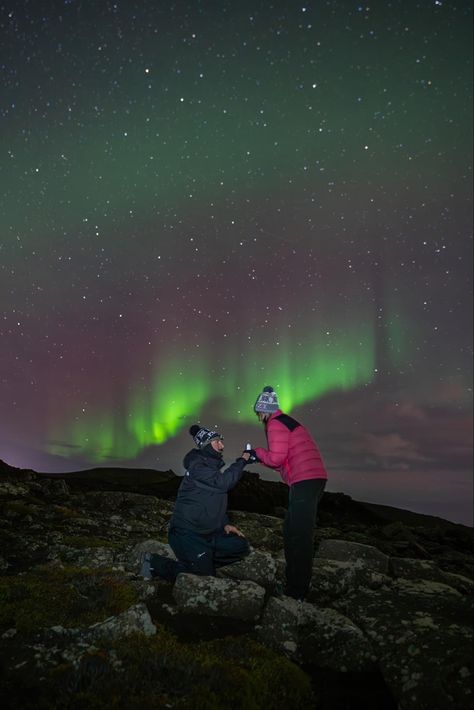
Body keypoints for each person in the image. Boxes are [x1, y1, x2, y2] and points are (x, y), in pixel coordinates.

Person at [140, 424, 256, 581]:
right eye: (217, 442)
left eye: (221, 442)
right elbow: (223, 483)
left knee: (240, 546)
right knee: (204, 576)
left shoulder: (210, 468)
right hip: (188, 533)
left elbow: (213, 499)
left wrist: (225, 524)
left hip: (208, 533)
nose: (222, 446)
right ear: (207, 445)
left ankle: (200, 560)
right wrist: (243, 460)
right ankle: (154, 563)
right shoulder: (198, 466)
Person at [252, 386, 328, 601]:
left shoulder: (275, 423)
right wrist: (261, 458)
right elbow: (283, 461)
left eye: (259, 414)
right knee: (291, 530)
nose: (259, 419)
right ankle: (295, 584)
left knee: (299, 536)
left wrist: (256, 453)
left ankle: (296, 592)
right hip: (312, 479)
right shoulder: (287, 421)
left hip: (305, 480)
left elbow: (275, 458)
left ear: (264, 411)